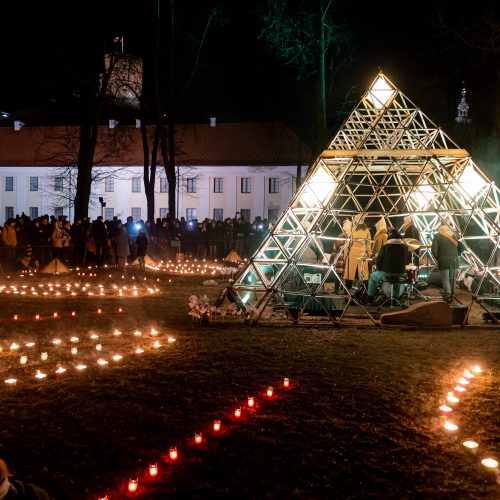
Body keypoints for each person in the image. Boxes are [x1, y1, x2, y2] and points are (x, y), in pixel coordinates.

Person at [367, 229, 410, 303]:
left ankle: (370, 298)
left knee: (372, 277)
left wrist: (379, 269)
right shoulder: (405, 247)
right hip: (401, 273)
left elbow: (379, 261)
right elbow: (407, 261)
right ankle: (396, 298)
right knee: (397, 278)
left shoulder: (385, 247)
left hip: (386, 273)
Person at [431, 219, 464, 302]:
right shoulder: (455, 235)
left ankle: (448, 297)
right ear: (449, 224)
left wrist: (439, 258)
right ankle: (452, 296)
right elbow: (463, 247)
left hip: (443, 261)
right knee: (452, 279)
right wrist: (456, 255)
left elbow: (434, 251)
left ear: (441, 225)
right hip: (454, 260)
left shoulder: (437, 236)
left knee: (445, 279)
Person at [344, 220, 372, 290]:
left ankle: (347, 290)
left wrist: (345, 254)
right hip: (362, 254)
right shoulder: (367, 231)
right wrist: (369, 254)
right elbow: (368, 244)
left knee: (350, 274)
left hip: (352, 254)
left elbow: (348, 245)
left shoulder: (353, 231)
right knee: (363, 274)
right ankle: (364, 290)